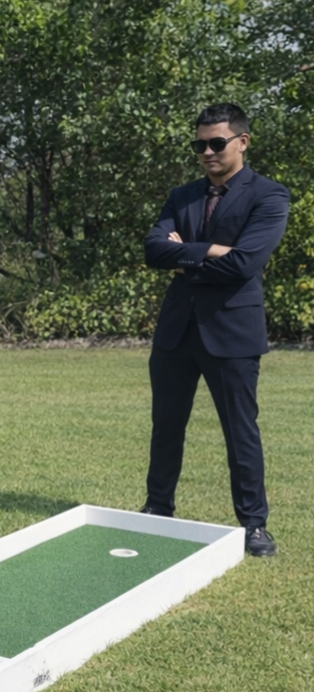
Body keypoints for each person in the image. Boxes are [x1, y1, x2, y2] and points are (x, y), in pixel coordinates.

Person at [141, 103, 289, 557]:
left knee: (240, 430)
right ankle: (157, 510)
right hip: (176, 332)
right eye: (200, 144)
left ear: (242, 142)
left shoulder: (269, 195)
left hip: (232, 333)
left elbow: (246, 263)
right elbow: (152, 250)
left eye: (217, 143)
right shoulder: (181, 195)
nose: (207, 151)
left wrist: (187, 254)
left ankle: (254, 525)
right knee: (166, 427)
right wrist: (212, 251)